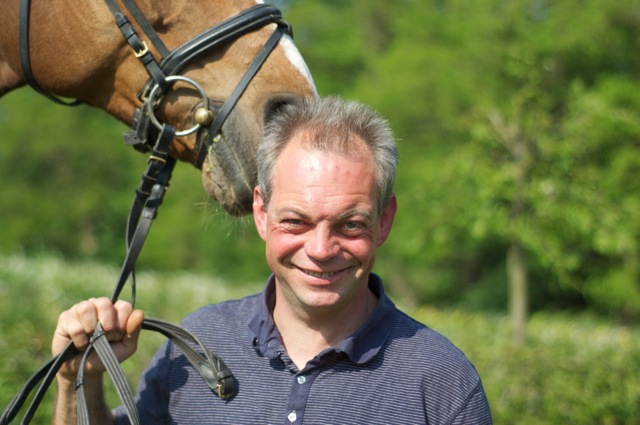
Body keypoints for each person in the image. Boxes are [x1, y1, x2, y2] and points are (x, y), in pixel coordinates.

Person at [52, 96, 492, 424]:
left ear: (384, 220)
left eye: (350, 225)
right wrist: (78, 378)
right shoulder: (197, 344)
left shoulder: (443, 383)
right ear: (261, 212)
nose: (320, 249)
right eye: (296, 221)